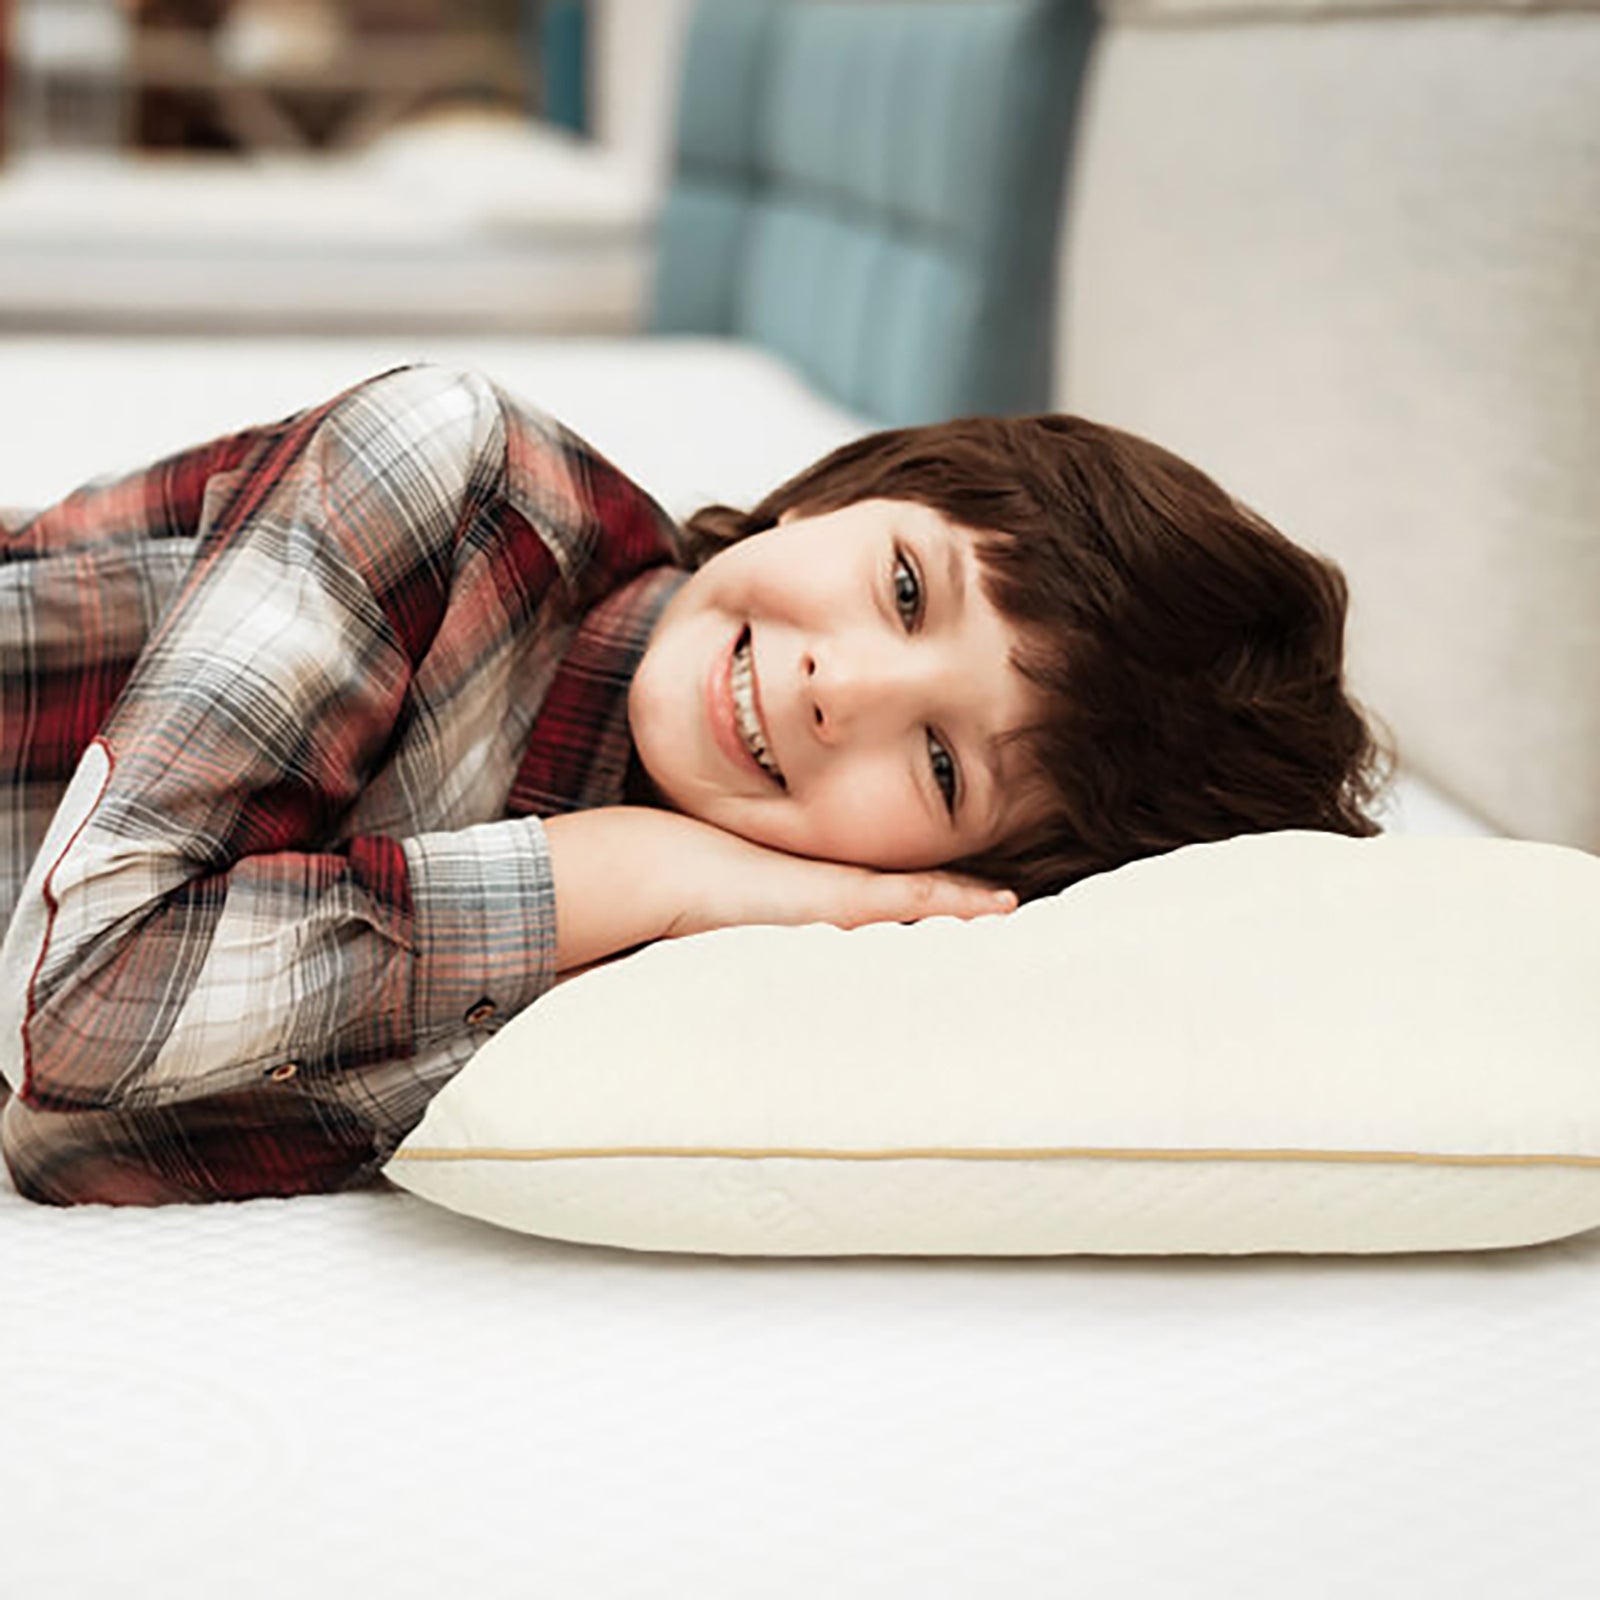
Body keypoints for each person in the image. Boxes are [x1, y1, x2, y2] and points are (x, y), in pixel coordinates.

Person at [0, 364, 1389, 1206]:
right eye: (908, 587)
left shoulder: (699, 980)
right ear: (850, 488)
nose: (842, 688)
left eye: (942, 763)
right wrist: (618, 875)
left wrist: (648, 916)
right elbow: (74, 1010)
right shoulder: (449, 468)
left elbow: (71, 1150)